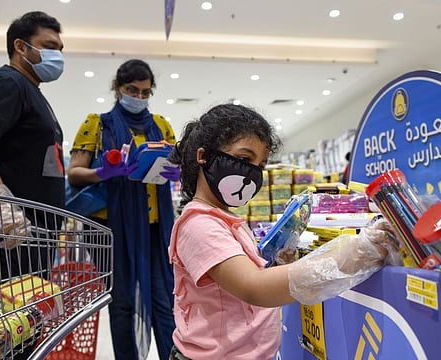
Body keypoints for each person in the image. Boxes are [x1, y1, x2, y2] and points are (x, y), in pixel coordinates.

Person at [167, 104, 401, 359]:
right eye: (244, 159)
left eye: (260, 165)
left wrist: (274, 263)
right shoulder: (199, 224)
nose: (252, 173)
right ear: (203, 156)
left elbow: (238, 280)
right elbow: (252, 287)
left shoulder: (226, 218)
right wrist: (350, 255)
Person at [67, 59, 178, 360]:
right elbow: (74, 173)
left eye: (145, 92)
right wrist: (104, 172)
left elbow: (177, 163)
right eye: (132, 90)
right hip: (113, 231)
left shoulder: (162, 126)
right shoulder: (97, 123)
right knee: (123, 303)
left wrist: (178, 173)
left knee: (165, 301)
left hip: (157, 230)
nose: (139, 97)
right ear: (117, 88)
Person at [0, 11, 65, 359]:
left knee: (21, 336)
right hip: (9, 238)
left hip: (29, 237)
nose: (57, 55)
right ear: (20, 46)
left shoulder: (32, 91)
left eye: (60, 48)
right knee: (4, 335)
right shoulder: (8, 83)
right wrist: (0, 200)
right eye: (49, 46)